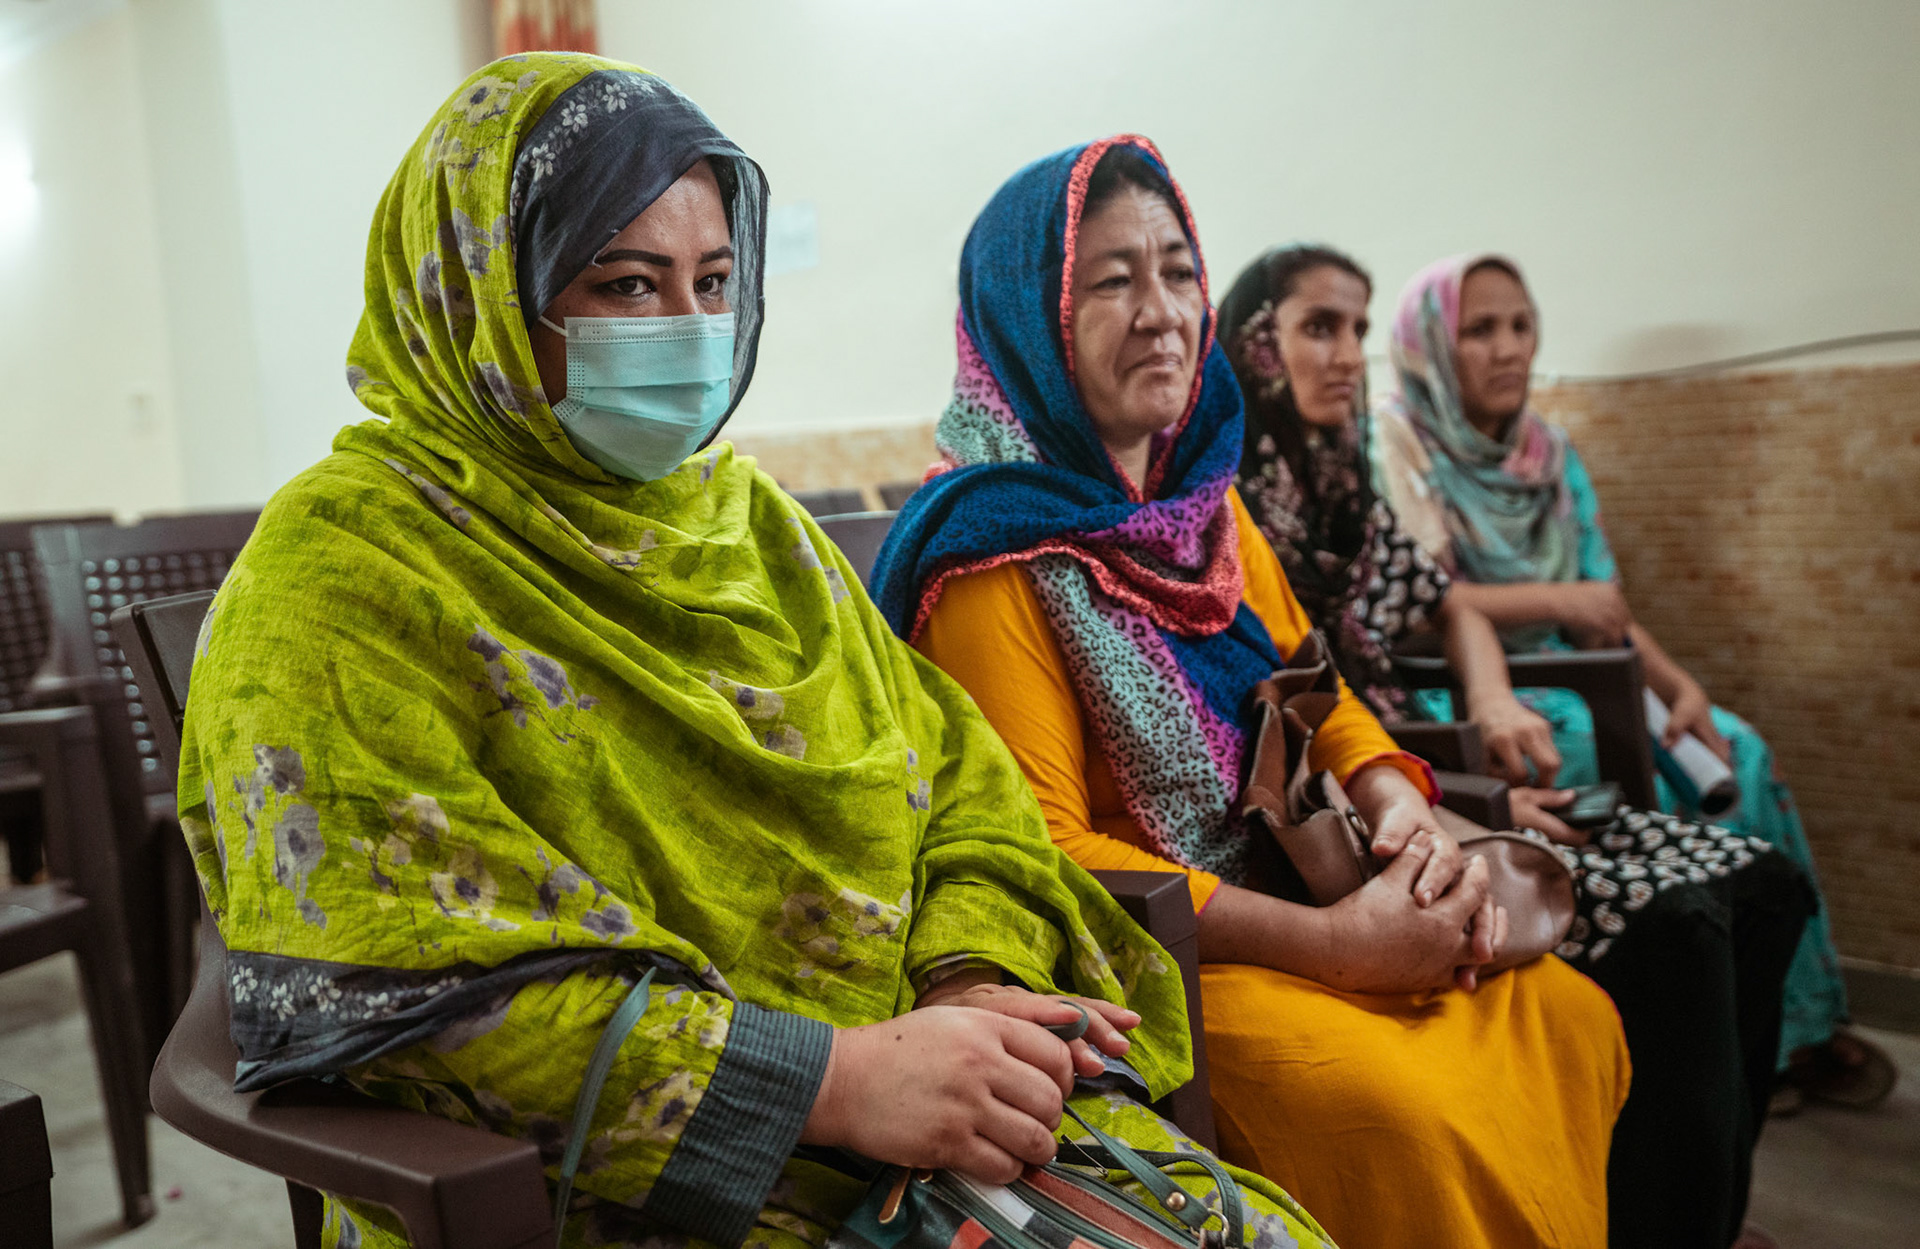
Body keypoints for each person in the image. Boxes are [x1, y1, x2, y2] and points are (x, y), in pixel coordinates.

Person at [173, 58, 1334, 1249]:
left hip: (952, 1110)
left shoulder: (752, 530)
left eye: (716, 282)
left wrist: (968, 983)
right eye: (628, 284)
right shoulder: (338, 577)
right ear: (482, 294)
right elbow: (407, 991)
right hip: (639, 1196)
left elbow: (963, 788)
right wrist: (837, 1080)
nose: (690, 330)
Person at [873, 136, 1628, 1248]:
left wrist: (1402, 809)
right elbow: (1051, 852)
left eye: (1180, 271)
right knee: (1410, 1113)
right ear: (1029, 320)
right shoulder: (992, 558)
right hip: (1166, 964)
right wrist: (1340, 947)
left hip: (1306, 891)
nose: (1162, 312)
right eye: (1111, 281)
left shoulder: (1204, 512)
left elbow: (1318, 693)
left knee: (1568, 1013)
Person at [1221, 243, 1815, 1248]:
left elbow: (1449, 605)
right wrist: (1464, 798)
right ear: (1254, 347)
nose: (1348, 354)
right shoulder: (1227, 519)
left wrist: (1493, 705)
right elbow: (1286, 736)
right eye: (1319, 327)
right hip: (1384, 817)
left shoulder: (1342, 494)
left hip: (1420, 778)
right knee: (1681, 925)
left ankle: (1702, 1212)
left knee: (1765, 888)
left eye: (1358, 329)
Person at [1370, 253, 1892, 1111]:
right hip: (1463, 684)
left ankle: (1787, 1026)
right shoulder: (1394, 443)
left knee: (1737, 749)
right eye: (1480, 329)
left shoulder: (1548, 454)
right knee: (1596, 748)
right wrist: (1559, 602)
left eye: (1521, 325)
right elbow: (1418, 606)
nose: (1509, 347)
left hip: (1581, 667)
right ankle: (1693, 1038)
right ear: (1430, 345)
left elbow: (1600, 605)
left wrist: (1678, 684)